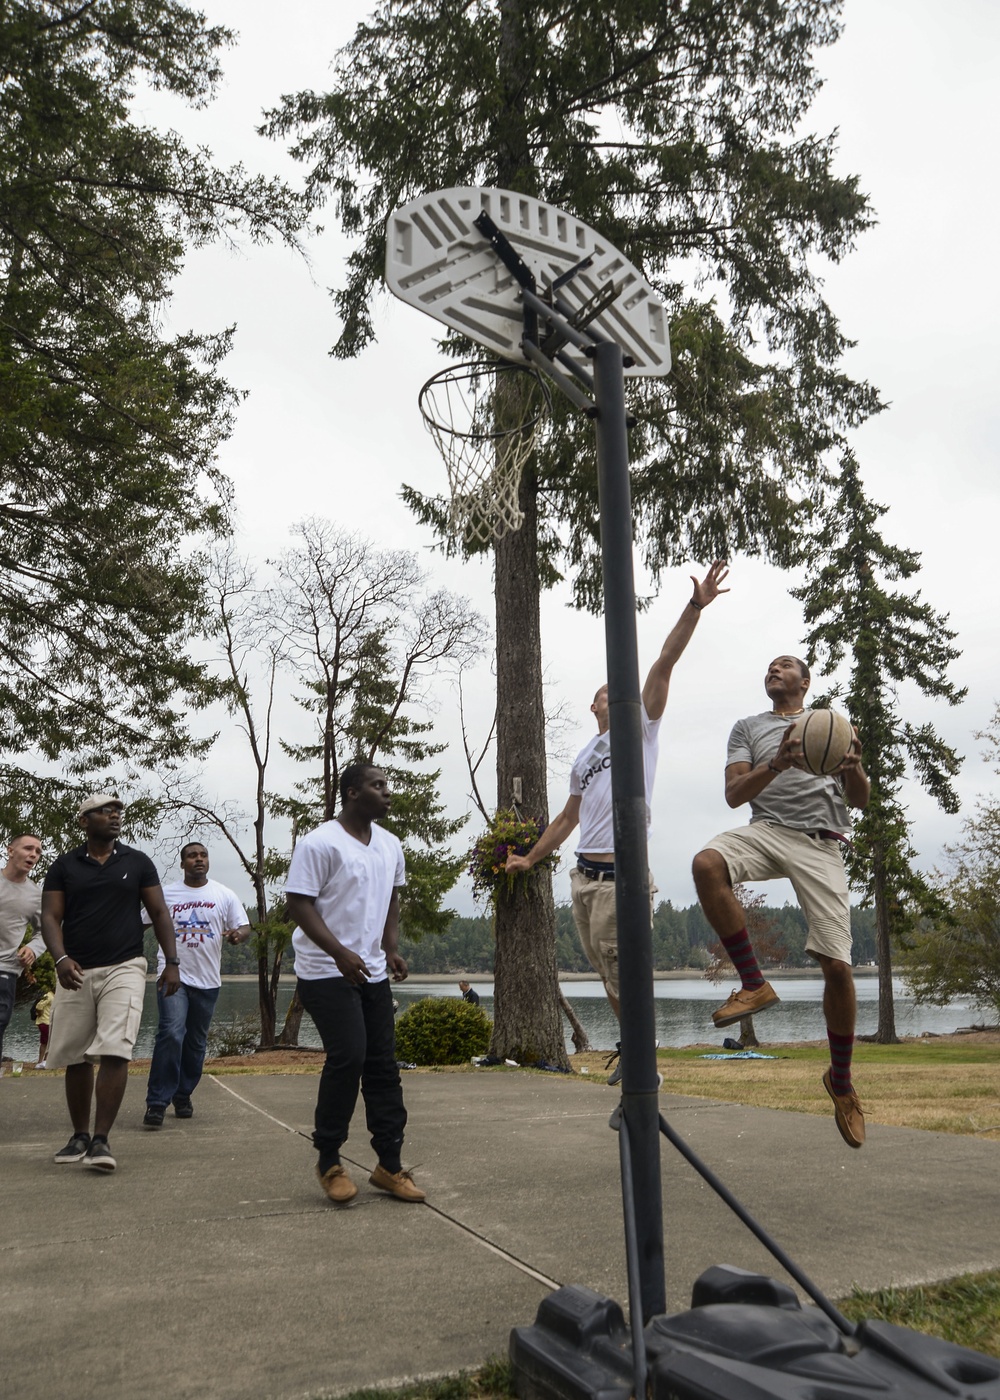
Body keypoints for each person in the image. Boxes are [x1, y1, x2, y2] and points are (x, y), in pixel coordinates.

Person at [505, 562, 730, 1081]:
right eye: (608, 690)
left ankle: (641, 1060)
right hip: (584, 878)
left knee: (625, 972)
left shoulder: (641, 727)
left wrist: (695, 606)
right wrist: (529, 858)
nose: (616, 692)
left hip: (620, 877)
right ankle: (635, 1050)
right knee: (607, 975)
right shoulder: (585, 756)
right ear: (595, 704)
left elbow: (663, 663)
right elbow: (567, 817)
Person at [691, 655, 870, 1148]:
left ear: (805, 682)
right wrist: (777, 763)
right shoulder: (748, 727)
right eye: (770, 665)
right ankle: (754, 983)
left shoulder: (833, 725)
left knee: (837, 967)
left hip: (821, 839)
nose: (774, 669)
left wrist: (853, 769)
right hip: (767, 831)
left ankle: (840, 1081)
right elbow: (733, 794)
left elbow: (860, 799)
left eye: (786, 665)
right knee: (707, 864)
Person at [285, 764, 424, 1206]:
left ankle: (389, 1165)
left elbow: (391, 898)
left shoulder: (390, 845)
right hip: (324, 970)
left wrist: (391, 946)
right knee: (349, 1056)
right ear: (351, 793)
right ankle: (329, 1160)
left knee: (383, 1065)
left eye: (387, 785)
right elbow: (299, 904)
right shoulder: (320, 842)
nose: (387, 792)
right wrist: (338, 952)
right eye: (377, 785)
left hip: (371, 971)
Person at [41, 793, 180, 1173]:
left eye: (118, 811)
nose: (115, 816)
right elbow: (51, 918)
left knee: (116, 1049)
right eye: (106, 811)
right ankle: (80, 1135)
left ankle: (101, 1139)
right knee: (76, 1055)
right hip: (77, 969)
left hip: (125, 965)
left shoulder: (137, 862)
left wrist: (172, 962)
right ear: (84, 821)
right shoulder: (65, 866)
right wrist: (61, 959)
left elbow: (158, 911)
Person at [142, 842, 251, 1128]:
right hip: (171, 976)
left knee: (195, 1042)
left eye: (203, 855)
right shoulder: (166, 893)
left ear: (208, 861)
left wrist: (237, 935)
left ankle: (183, 1093)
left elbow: (243, 926)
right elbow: (140, 922)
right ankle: (156, 1102)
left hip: (208, 980)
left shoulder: (223, 894)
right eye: (192, 856)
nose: (198, 860)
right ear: (183, 863)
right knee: (171, 1032)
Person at [0, 834, 46, 1072]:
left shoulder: (35, 895)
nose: (33, 855)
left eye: (37, 851)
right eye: (28, 848)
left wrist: (32, 949)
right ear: (10, 850)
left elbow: (44, 933)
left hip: (5, 971)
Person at [31, 987, 54, 1068]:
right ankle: (43, 1061)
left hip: (49, 1022)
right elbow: (39, 1006)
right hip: (45, 1022)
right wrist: (40, 1014)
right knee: (47, 1042)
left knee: (47, 1042)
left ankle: (44, 1060)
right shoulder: (49, 995)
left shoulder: (53, 996)